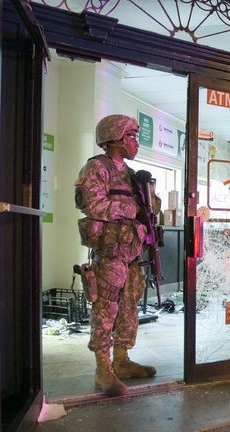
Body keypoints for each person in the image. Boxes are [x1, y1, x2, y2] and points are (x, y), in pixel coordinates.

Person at [74, 114, 156, 396]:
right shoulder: (96, 168)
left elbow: (146, 207)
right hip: (110, 250)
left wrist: (149, 207)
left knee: (129, 306)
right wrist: (131, 210)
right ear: (115, 139)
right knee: (105, 308)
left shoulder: (131, 174)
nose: (136, 143)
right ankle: (103, 370)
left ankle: (121, 360)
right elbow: (93, 205)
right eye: (131, 137)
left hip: (131, 251)